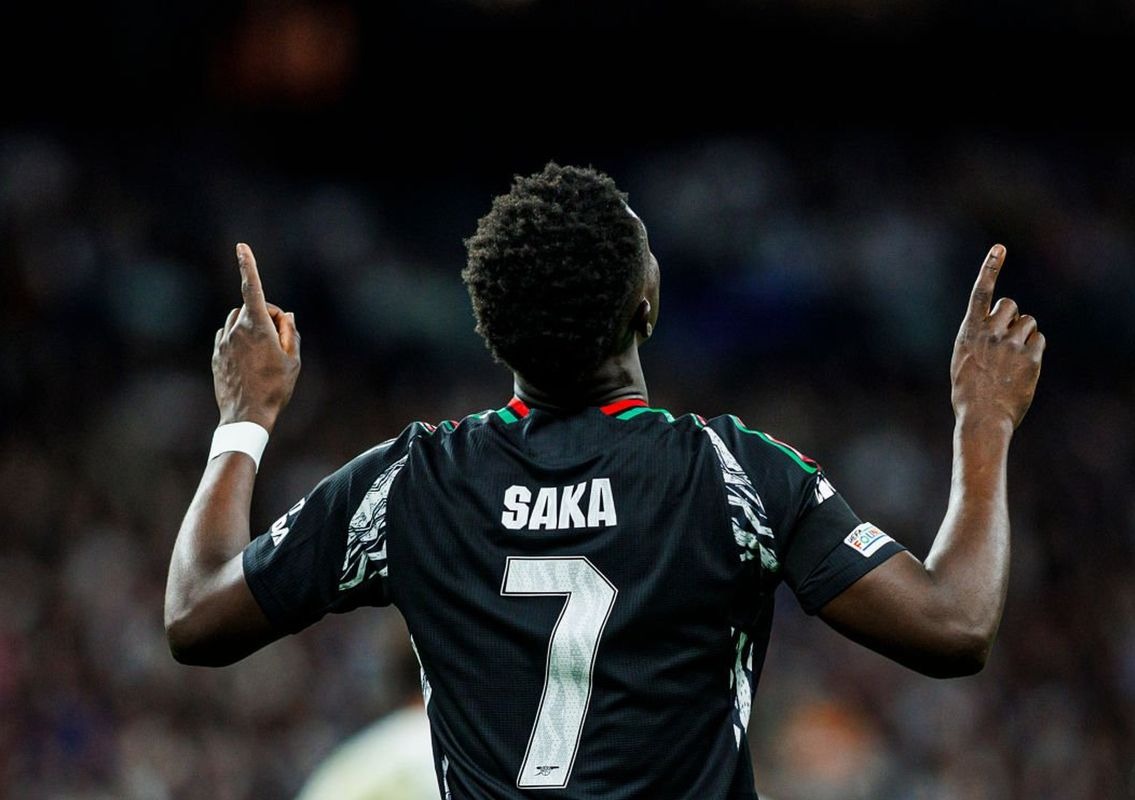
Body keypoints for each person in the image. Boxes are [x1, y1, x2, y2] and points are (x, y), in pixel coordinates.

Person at [164, 163, 1044, 798]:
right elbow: (953, 623)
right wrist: (985, 423)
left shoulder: (411, 484)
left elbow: (197, 614)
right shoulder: (728, 474)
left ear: (491, 329)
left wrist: (245, 417)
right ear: (645, 305)